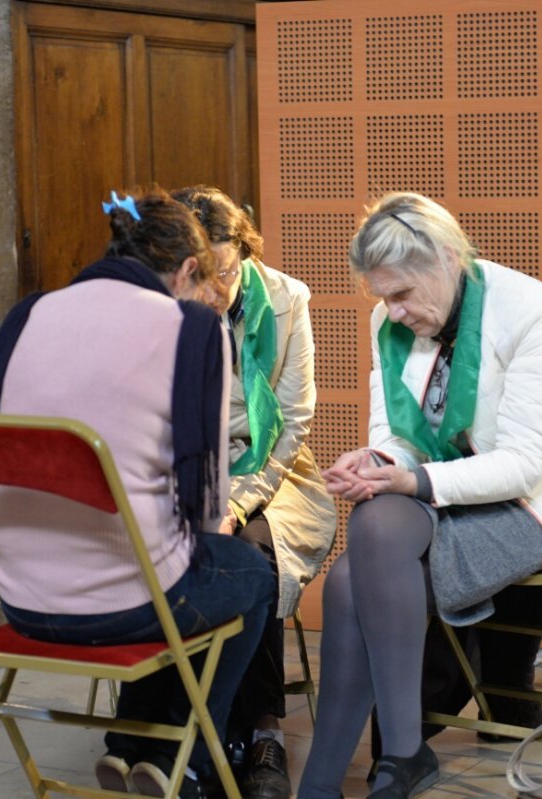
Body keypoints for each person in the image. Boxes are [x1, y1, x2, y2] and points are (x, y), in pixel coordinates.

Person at [296, 192, 542, 799]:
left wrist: (410, 480)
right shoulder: (388, 323)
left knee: (352, 573)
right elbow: (395, 435)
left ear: (447, 258)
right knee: (372, 525)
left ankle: (347, 774)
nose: (392, 313)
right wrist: (377, 463)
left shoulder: (528, 310)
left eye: (402, 294)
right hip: (451, 490)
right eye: (383, 297)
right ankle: (394, 756)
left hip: (539, 502)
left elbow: (525, 466)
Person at [0, 187, 277, 799]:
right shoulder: (194, 331)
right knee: (247, 573)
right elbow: (205, 507)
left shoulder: (25, 316)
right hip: (128, 604)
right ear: (189, 269)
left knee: (170, 562)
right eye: (205, 285)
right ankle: (184, 758)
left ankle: (136, 746)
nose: (211, 300)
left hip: (22, 601)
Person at [174, 186, 338, 799]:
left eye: (225, 271)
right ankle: (212, 728)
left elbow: (292, 423)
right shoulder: (167, 306)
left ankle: (264, 729)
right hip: (192, 468)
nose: (216, 289)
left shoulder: (289, 300)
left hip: (277, 469)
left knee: (253, 549)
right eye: (201, 276)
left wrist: (238, 501)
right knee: (200, 551)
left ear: (243, 251)